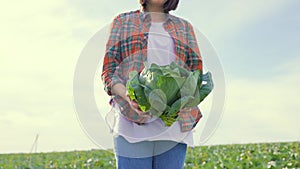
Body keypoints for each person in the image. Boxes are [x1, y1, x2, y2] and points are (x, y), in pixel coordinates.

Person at [101, 0, 202, 168]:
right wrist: (127, 95)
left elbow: (195, 73)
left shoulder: (185, 28)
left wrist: (187, 99)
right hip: (131, 123)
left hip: (173, 126)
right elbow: (108, 72)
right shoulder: (122, 22)